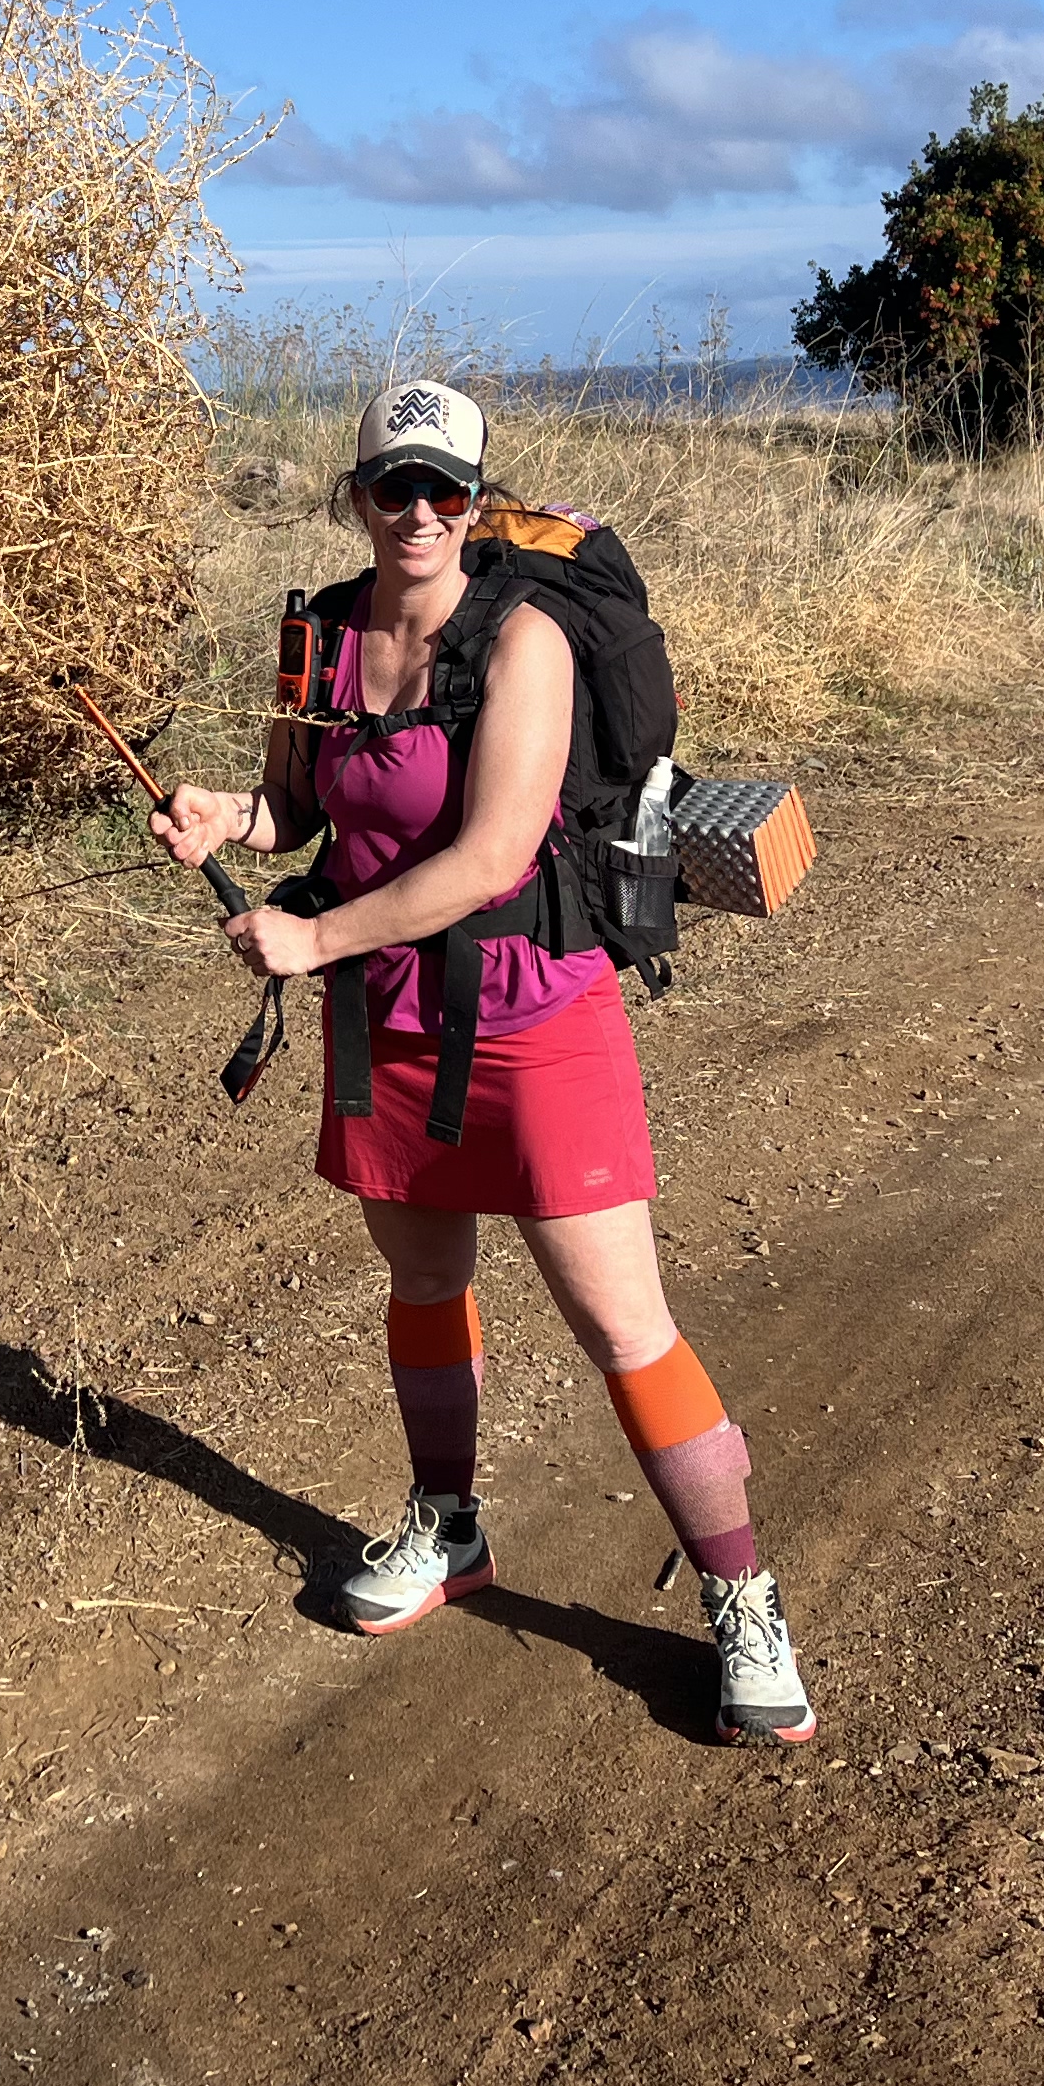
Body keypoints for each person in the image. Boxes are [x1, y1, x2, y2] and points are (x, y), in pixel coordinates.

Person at [150, 378, 817, 1747]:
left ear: (475, 498)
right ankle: (447, 1528)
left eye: (444, 489)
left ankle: (741, 1597)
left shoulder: (523, 641)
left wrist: (311, 936)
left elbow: (490, 856)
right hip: (382, 1015)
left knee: (622, 1325)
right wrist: (230, 811)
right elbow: (297, 800)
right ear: (357, 497)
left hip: (532, 1013)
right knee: (426, 1277)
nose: (419, 513)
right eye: (393, 487)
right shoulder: (319, 632)